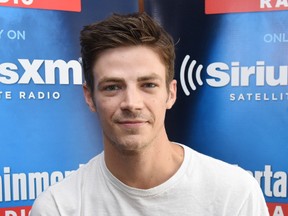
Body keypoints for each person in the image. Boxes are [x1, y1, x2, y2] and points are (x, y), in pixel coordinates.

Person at [30, 12, 269, 215]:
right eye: (112, 87)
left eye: (148, 85)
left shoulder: (235, 194)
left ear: (171, 93)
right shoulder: (58, 207)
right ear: (90, 96)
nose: (132, 103)